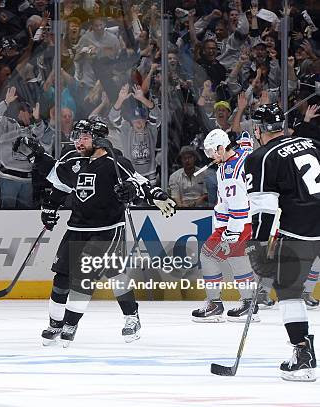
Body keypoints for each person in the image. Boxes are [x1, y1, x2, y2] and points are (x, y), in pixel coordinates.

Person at [36, 118, 176, 347]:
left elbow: (138, 183)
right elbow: (59, 184)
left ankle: (79, 323)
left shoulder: (114, 162)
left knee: (93, 276)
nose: (78, 142)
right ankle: (55, 323)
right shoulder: (72, 159)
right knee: (63, 277)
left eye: (84, 137)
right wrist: (49, 207)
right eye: (77, 136)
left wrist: (155, 196)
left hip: (108, 229)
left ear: (99, 139)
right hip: (77, 227)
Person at [245, 103, 319, 381]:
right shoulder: (310, 141)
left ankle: (302, 355)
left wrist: (258, 245)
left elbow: (264, 210)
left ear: (259, 130)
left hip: (301, 231)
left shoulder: (261, 157)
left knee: (288, 290)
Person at [190, 129, 260, 322]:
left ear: (221, 148)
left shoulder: (229, 172)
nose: (211, 156)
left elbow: (237, 206)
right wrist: (246, 140)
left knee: (207, 256)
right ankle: (249, 303)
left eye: (212, 151)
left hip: (235, 223)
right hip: (247, 222)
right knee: (237, 258)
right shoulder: (243, 156)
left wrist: (231, 232)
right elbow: (247, 147)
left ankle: (214, 304)